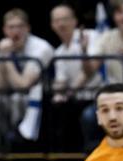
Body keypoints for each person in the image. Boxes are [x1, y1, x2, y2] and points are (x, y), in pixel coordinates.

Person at [0, 8, 54, 143]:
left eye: (20, 27)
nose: (16, 31)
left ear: (28, 28)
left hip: (42, 97)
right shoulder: (4, 47)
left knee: (18, 99)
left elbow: (23, 85)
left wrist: (7, 59)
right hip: (14, 95)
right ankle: (1, 146)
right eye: (11, 27)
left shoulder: (41, 48)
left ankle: (20, 145)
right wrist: (2, 58)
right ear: (5, 30)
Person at [49, 3, 101, 151]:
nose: (61, 23)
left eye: (65, 19)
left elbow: (90, 71)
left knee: (86, 115)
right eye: (57, 20)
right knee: (54, 109)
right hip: (75, 98)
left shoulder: (91, 36)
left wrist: (84, 51)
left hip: (96, 96)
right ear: (52, 25)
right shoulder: (58, 52)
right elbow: (61, 81)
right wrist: (55, 90)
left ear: (75, 21)